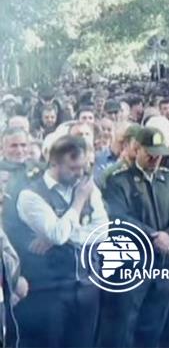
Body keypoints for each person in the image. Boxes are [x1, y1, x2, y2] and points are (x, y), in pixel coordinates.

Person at [4, 135, 107, 348]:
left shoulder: (87, 186)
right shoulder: (31, 195)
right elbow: (56, 234)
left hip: (86, 286)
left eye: (82, 167)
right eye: (72, 168)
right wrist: (77, 203)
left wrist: (64, 235)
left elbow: (103, 231)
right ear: (54, 163)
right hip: (49, 291)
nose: (79, 174)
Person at [99, 126, 169, 348]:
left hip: (163, 262)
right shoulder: (119, 181)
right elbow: (118, 217)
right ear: (136, 149)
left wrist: (168, 234)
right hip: (133, 263)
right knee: (125, 324)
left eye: (159, 155)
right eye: (150, 154)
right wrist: (153, 235)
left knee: (154, 322)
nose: (155, 159)